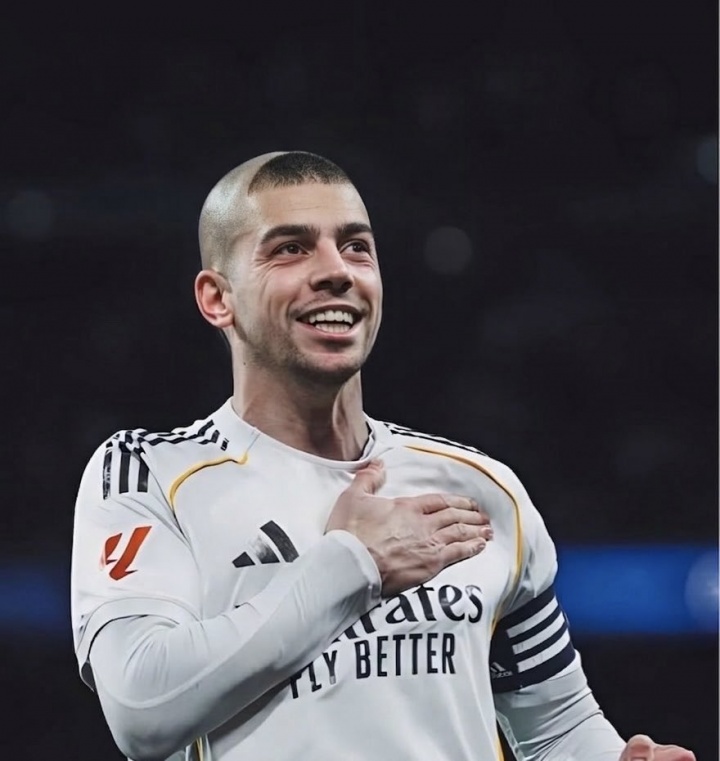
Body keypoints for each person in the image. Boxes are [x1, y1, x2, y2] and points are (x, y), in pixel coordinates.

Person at [70, 151, 695, 761]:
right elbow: (141, 709)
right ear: (217, 298)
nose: (336, 270)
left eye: (355, 247)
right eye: (290, 248)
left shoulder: (481, 486)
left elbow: (557, 729)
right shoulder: (151, 475)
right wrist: (354, 563)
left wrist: (614, 756)